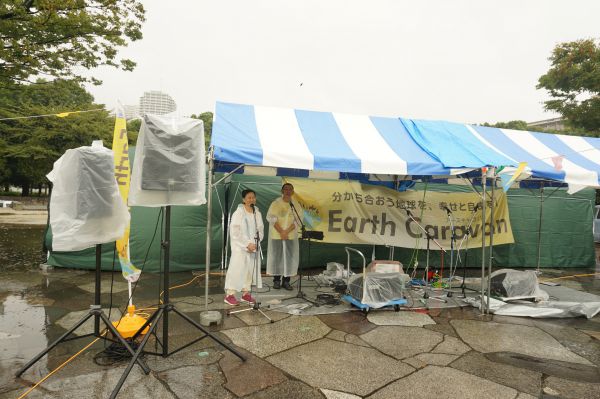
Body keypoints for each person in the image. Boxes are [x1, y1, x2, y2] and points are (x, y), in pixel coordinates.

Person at [224, 189, 264, 306]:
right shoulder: (239, 213)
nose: (251, 199)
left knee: (250, 270)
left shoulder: (257, 212)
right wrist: (247, 244)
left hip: (253, 247)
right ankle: (229, 295)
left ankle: (246, 293)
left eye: (253, 197)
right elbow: (235, 231)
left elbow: (260, 229)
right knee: (237, 270)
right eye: (249, 197)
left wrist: (256, 242)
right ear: (243, 200)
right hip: (240, 247)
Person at [266, 182, 302, 290]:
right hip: (277, 235)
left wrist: (286, 232)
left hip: (290, 236)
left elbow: (297, 221)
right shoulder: (276, 203)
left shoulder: (295, 204)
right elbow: (271, 218)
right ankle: (276, 281)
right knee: (277, 258)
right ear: (282, 191)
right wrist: (282, 231)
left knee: (289, 259)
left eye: (290, 189)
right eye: (285, 189)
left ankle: (286, 281)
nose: (288, 191)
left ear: (293, 191)